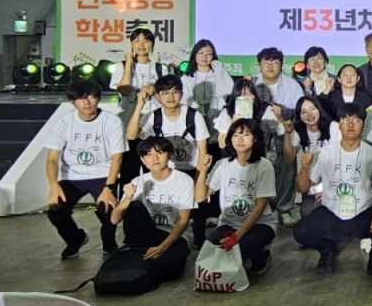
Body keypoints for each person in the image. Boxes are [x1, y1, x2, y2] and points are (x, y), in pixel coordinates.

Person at [294, 103, 372, 276]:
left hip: (363, 212)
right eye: (345, 120)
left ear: (363, 125)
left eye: (356, 120)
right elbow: (302, 187)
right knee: (301, 232)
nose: (350, 124)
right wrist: (304, 168)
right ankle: (327, 250)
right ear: (338, 125)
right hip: (332, 212)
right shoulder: (325, 153)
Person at [126, 74, 210, 245]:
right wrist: (140, 105)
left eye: (175, 92)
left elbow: (203, 151)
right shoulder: (154, 116)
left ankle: (198, 235)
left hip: (191, 168)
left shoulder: (193, 116)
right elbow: (131, 135)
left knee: (198, 205)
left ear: (181, 94)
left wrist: (199, 177)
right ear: (158, 95)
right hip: (165, 169)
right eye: (165, 93)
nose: (171, 97)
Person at [45, 80, 125, 258]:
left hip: (103, 174)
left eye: (91, 97)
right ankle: (75, 239)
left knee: (108, 208)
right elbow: (52, 159)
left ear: (98, 99)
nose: (87, 102)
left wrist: (108, 188)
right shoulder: (64, 123)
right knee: (56, 212)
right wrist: (54, 186)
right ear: (72, 102)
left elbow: (117, 158)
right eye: (81, 98)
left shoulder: (112, 121)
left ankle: (109, 242)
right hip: (71, 176)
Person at [195, 119, 277, 276]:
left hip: (260, 223)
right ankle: (239, 256)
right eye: (236, 135)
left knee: (248, 243)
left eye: (246, 135)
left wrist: (237, 235)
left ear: (255, 138)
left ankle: (262, 258)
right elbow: (200, 198)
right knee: (210, 247)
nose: (240, 140)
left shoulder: (264, 166)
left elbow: (260, 205)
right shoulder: (223, 164)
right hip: (229, 223)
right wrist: (203, 171)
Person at [110, 137, 194, 282]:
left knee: (172, 271)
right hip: (146, 234)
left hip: (174, 235)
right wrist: (127, 199)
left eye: (160, 153)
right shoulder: (137, 181)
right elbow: (114, 219)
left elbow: (183, 222)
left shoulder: (184, 180)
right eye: (148, 154)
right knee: (134, 207)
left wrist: (162, 248)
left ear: (169, 155)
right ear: (143, 160)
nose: (155, 158)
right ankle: (135, 252)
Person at [110, 27, 171, 185]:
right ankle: (127, 199)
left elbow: (168, 99)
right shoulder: (121, 66)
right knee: (128, 172)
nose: (141, 45)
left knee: (155, 171)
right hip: (129, 124)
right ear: (131, 43)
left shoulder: (161, 69)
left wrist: (154, 91)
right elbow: (124, 90)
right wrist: (129, 64)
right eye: (137, 41)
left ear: (152, 44)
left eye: (146, 40)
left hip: (153, 126)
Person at [252, 47, 304, 227]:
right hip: (258, 134)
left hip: (285, 132)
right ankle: (261, 209)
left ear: (281, 65)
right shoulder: (252, 84)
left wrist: (283, 114)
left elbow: (300, 111)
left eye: (274, 62)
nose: (270, 66)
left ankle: (284, 208)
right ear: (259, 65)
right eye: (266, 62)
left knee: (286, 170)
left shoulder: (292, 85)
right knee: (258, 171)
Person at [282, 96, 340, 219]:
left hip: (335, 185)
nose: (309, 114)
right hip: (312, 188)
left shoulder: (334, 127)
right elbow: (289, 159)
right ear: (299, 116)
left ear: (319, 109)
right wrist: (287, 133)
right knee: (308, 212)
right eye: (303, 112)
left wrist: (325, 189)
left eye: (312, 109)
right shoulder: (299, 131)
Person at [180, 39, 234, 140]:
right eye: (201, 53)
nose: (205, 57)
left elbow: (228, 91)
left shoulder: (219, 72)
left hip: (217, 120)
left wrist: (218, 70)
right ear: (194, 55)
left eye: (209, 54)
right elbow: (183, 101)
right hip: (194, 121)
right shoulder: (186, 78)